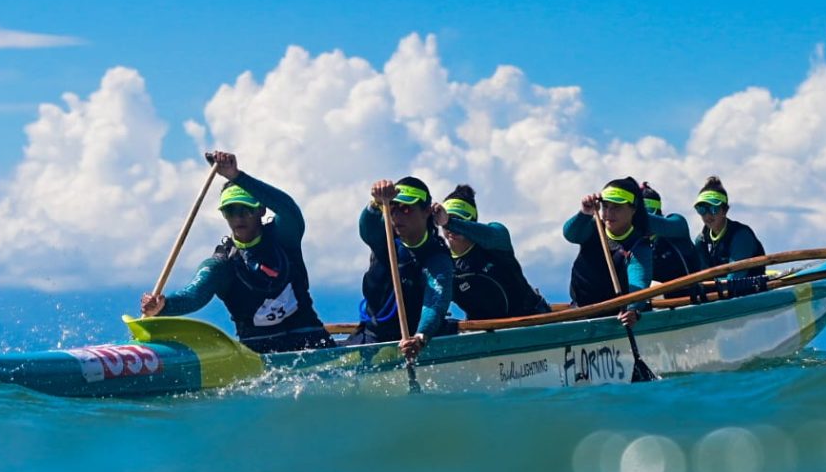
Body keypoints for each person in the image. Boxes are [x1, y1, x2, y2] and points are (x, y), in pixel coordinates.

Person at [139, 151, 334, 353]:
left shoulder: (284, 237)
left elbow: (289, 209)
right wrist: (163, 306)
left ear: (261, 210)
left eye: (245, 209)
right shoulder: (221, 264)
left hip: (312, 343)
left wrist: (236, 176)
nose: (238, 217)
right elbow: (194, 295)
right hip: (260, 357)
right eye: (230, 211)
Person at [349, 177, 454, 359]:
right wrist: (376, 203)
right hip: (372, 336)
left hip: (411, 341)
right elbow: (367, 228)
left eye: (406, 209)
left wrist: (420, 338)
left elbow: (435, 302)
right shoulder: (385, 239)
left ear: (426, 211)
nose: (397, 216)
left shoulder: (437, 256)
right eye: (392, 209)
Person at [432, 184, 550, 320]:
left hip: (532, 318)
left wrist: (449, 221)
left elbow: (492, 234)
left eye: (460, 219)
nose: (450, 228)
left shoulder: (497, 238)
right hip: (485, 332)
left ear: (473, 221)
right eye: (447, 219)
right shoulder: (443, 263)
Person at [562, 177, 653, 328]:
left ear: (633, 209)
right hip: (580, 311)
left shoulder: (639, 246)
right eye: (605, 206)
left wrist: (632, 310)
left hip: (615, 317)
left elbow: (639, 283)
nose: (609, 213)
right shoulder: (593, 226)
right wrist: (584, 212)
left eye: (616, 207)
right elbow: (570, 234)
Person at [693, 176, 766, 279]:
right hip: (719, 291)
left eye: (713, 209)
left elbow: (734, 278)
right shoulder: (701, 240)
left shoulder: (741, 236)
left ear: (725, 210)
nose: (707, 216)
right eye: (701, 210)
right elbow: (703, 276)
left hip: (749, 291)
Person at [640, 182, 702, 286]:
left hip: (690, 298)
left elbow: (654, 223)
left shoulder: (678, 225)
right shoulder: (636, 244)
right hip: (656, 298)